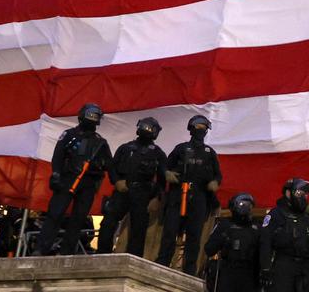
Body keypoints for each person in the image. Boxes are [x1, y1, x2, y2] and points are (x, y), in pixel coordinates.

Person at [36, 102, 112, 255]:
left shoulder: (100, 142)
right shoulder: (69, 135)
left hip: (88, 183)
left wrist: (97, 165)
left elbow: (109, 164)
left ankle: (67, 252)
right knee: (55, 214)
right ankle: (41, 249)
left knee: (78, 219)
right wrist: (56, 174)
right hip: (67, 179)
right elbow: (58, 155)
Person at [157, 114, 223, 276]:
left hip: (199, 197)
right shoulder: (180, 148)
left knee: (194, 236)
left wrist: (215, 183)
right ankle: (162, 265)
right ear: (191, 128)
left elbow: (218, 175)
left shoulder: (209, 152)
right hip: (178, 195)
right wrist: (167, 174)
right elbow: (164, 166)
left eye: (204, 127)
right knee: (170, 233)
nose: (201, 130)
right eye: (198, 126)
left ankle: (189, 271)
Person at [97, 116, 168, 257]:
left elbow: (162, 179)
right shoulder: (125, 148)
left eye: (150, 128)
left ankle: (132, 259)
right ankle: (102, 254)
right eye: (144, 126)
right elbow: (112, 167)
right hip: (122, 190)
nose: (146, 130)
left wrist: (156, 198)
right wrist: (117, 181)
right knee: (108, 223)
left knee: (138, 229)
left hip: (143, 194)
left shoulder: (158, 153)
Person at [260, 177, 309, 292]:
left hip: (305, 267)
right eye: (299, 193)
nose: (303, 197)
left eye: (305, 194)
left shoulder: (305, 217)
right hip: (284, 267)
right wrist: (265, 268)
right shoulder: (275, 215)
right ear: (288, 193)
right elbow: (265, 242)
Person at [206, 192, 261, 292]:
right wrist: (224, 237)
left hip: (249, 273)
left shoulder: (256, 227)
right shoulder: (225, 225)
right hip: (229, 270)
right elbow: (209, 249)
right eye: (242, 205)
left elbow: (263, 252)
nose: (246, 208)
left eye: (248, 205)